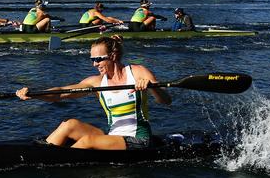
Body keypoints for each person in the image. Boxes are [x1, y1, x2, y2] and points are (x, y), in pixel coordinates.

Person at [16, 35, 171, 150]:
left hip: (139, 140)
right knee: (69, 124)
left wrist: (152, 87)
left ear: (113, 56)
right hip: (114, 137)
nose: (94, 64)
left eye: (98, 59)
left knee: (88, 141)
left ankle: (53, 160)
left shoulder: (137, 72)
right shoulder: (96, 82)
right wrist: (35, 94)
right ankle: (40, 153)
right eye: (92, 60)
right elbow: (62, 93)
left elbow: (166, 100)